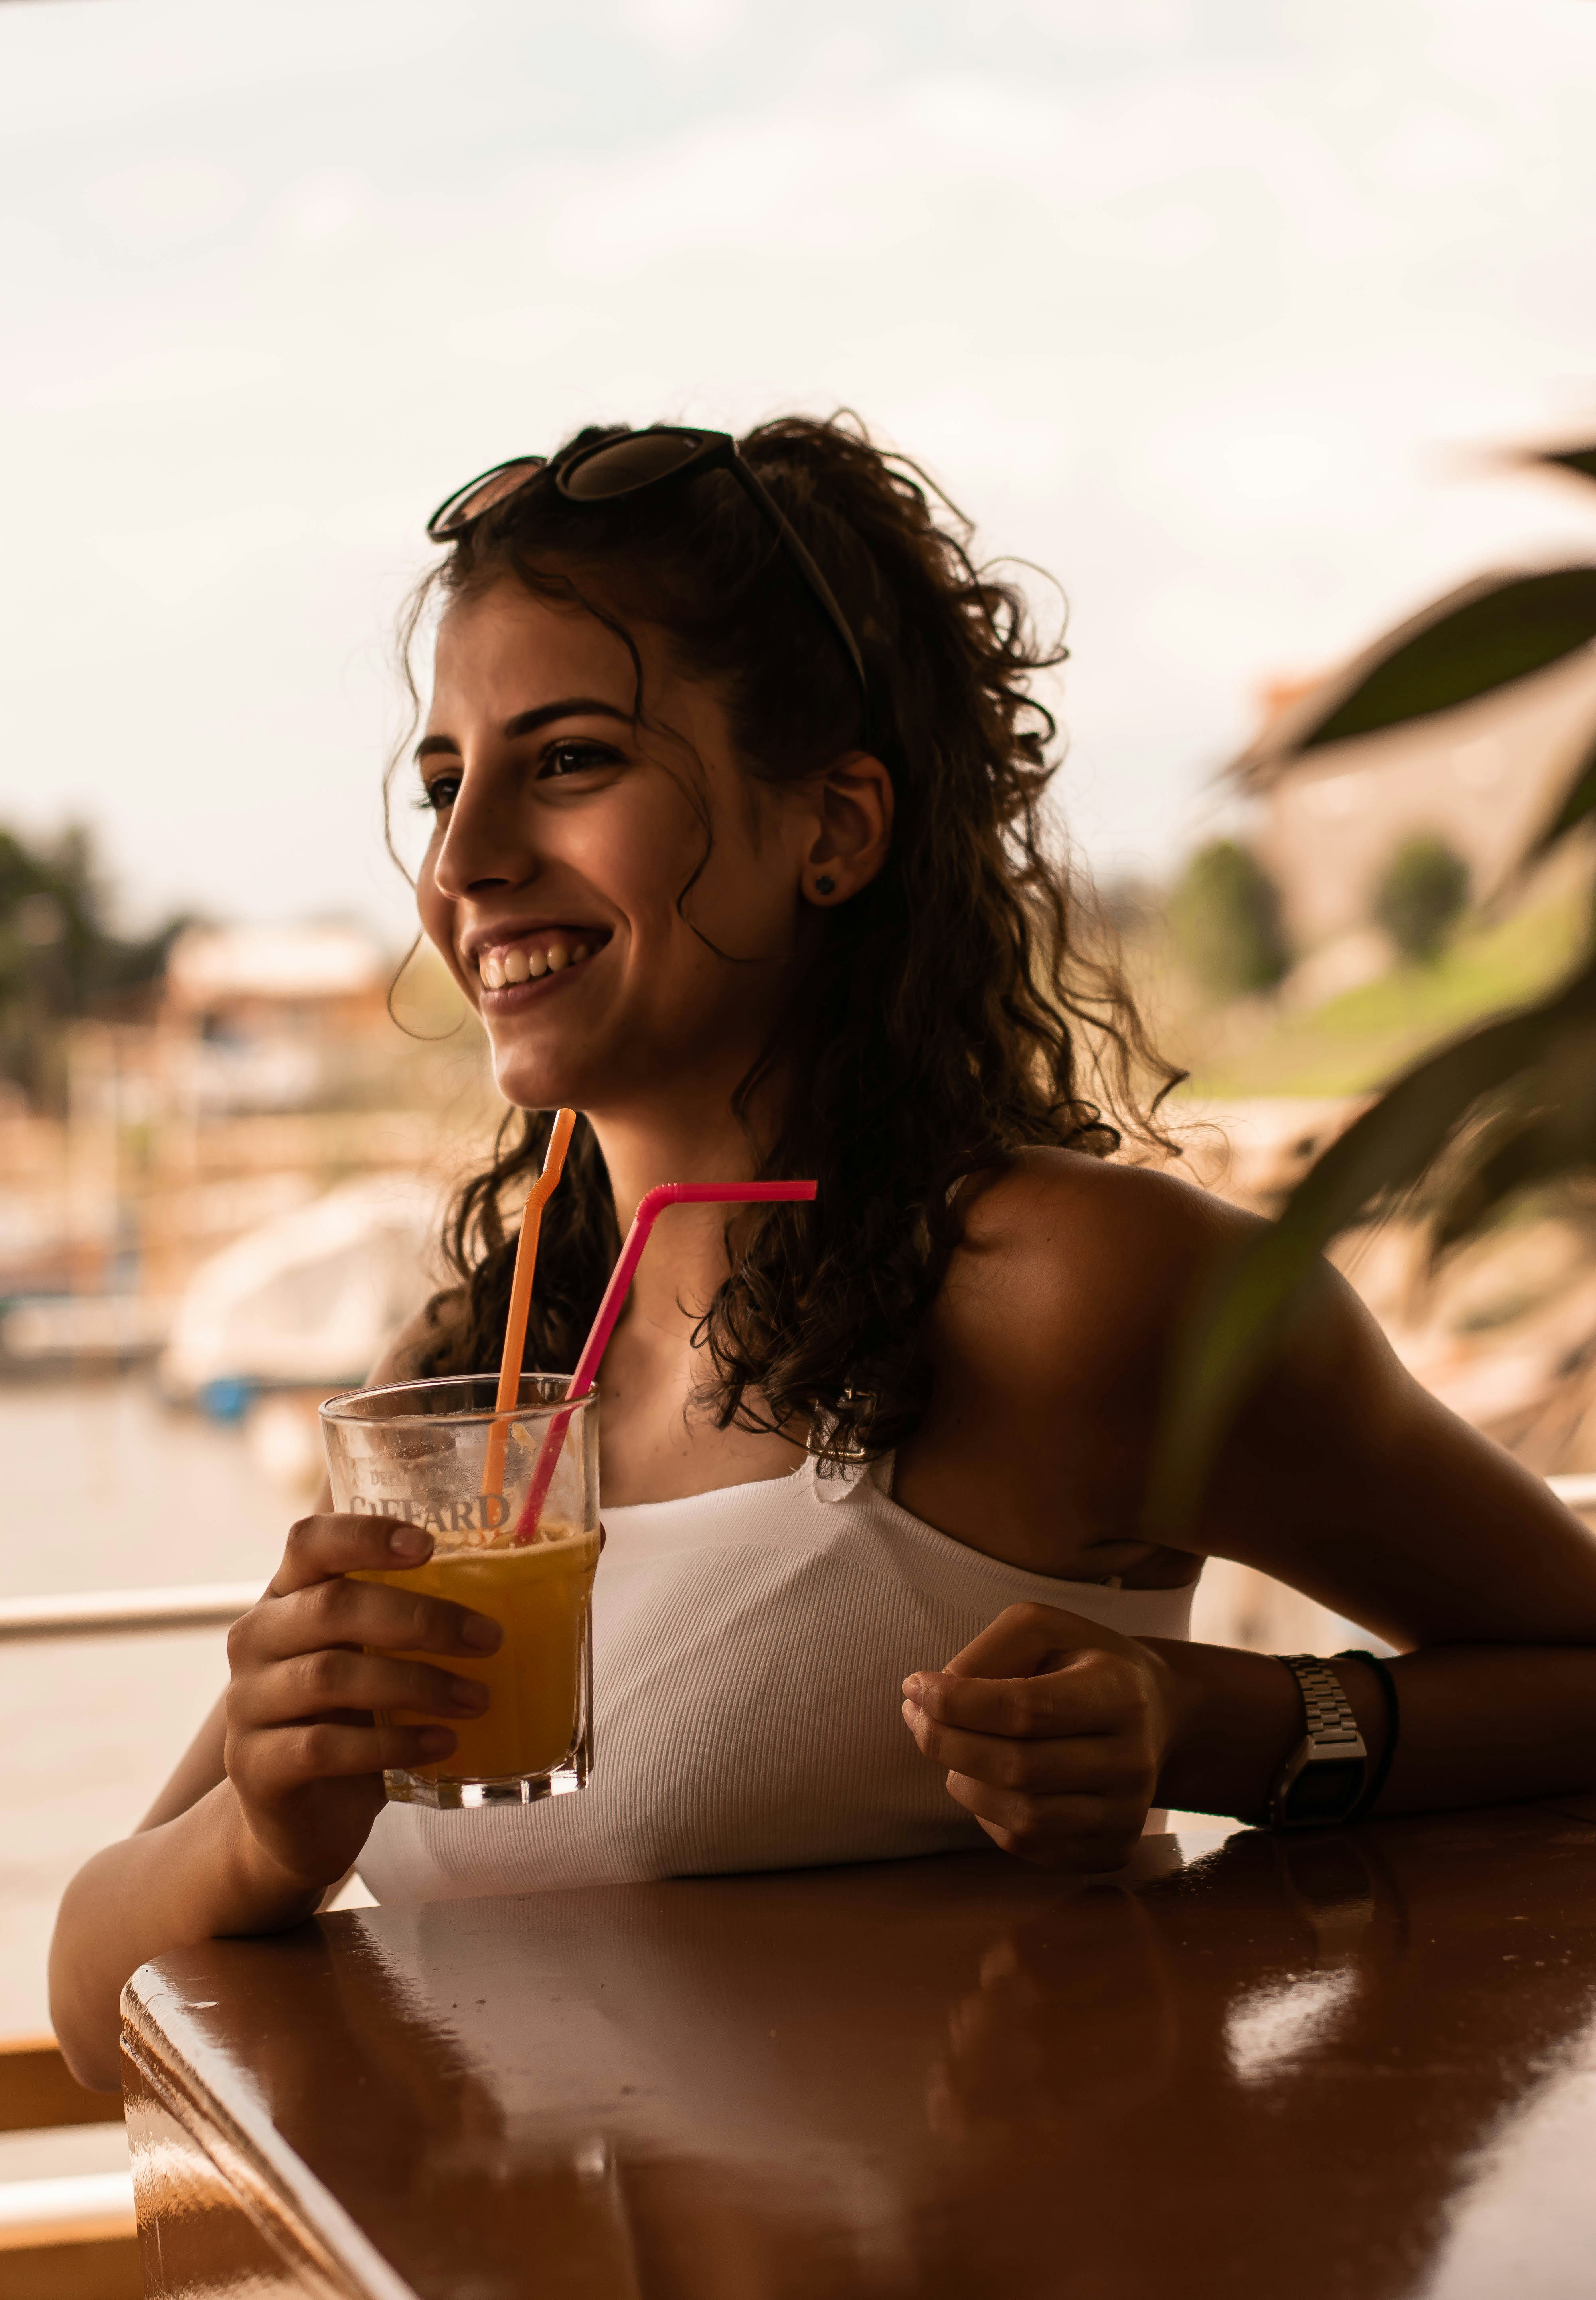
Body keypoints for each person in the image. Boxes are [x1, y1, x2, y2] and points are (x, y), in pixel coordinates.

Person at [51, 417, 1596, 2089]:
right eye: (443, 781)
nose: (463, 859)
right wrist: (264, 1839)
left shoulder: (1072, 1290)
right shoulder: (490, 1350)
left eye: (567, 759)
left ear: (834, 830)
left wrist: (1208, 1723)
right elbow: (88, 1999)